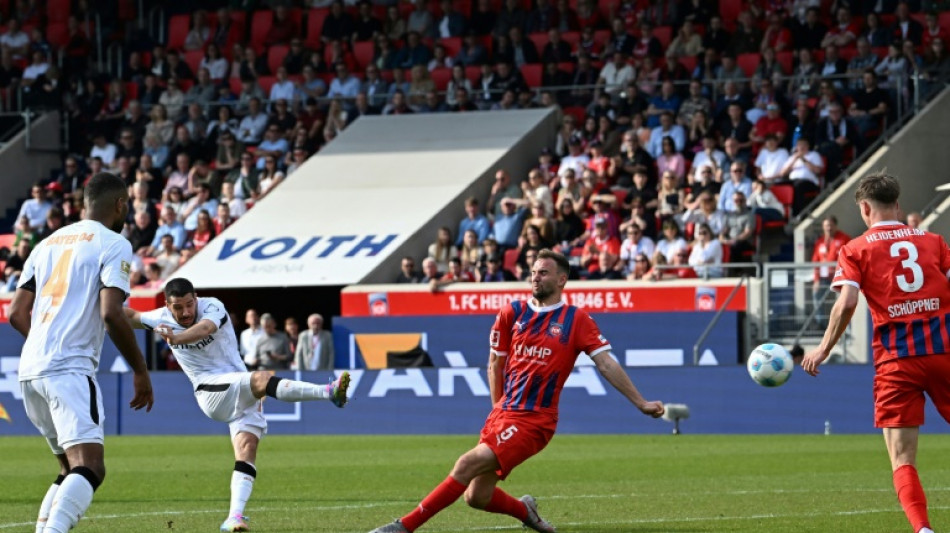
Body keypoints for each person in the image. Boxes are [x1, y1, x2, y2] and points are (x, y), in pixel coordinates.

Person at [369, 249, 664, 533]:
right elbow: (494, 364)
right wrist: (498, 409)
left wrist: (640, 402)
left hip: (536, 420)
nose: (535, 278)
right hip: (504, 414)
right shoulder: (513, 312)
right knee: (476, 497)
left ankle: (403, 526)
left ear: (561, 279)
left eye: (544, 273)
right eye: (533, 272)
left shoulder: (576, 319)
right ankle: (526, 511)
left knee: (466, 463)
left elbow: (606, 364)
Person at [124, 278, 349, 532]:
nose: (185, 312)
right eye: (178, 308)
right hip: (211, 392)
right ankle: (328, 392)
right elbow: (130, 315)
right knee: (262, 379)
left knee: (246, 450)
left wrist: (176, 338)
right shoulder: (160, 317)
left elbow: (204, 329)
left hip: (237, 387)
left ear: (196, 298)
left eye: (189, 304)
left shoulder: (212, 307)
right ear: (168, 305)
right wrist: (97, 302)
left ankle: (234, 517)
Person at [8, 172, 155, 533]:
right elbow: (110, 313)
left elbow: (15, 313)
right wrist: (140, 369)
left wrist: (44, 341)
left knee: (68, 468)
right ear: (120, 204)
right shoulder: (113, 243)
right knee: (90, 467)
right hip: (69, 367)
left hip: (31, 367)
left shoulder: (45, 243)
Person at [802, 172, 949, 533]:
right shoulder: (934, 241)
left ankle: (923, 530)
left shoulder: (855, 249)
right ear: (897, 205)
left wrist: (823, 348)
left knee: (902, 458)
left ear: (865, 209)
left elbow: (848, 301)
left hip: (896, 362)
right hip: (943, 352)